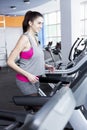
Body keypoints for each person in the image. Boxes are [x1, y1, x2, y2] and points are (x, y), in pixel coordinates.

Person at [7, 10, 54, 96]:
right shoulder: (25, 38)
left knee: (32, 104)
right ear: (30, 23)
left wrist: (46, 65)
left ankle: (28, 106)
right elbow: (10, 62)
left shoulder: (35, 37)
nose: (41, 26)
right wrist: (28, 75)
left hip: (35, 78)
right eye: (39, 23)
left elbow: (36, 57)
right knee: (37, 106)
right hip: (25, 80)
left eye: (42, 23)